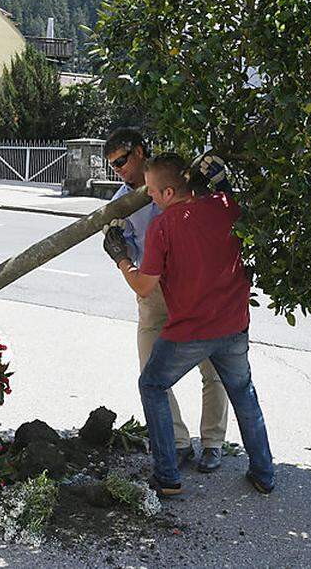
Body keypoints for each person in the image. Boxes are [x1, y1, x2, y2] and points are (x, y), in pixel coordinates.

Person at [112, 154, 275, 497]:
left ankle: (167, 475)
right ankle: (264, 473)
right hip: (233, 326)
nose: (151, 198)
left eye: (154, 192)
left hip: (190, 331)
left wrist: (122, 258)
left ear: (169, 192)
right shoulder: (225, 205)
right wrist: (223, 181)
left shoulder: (164, 226)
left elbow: (143, 285)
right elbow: (233, 201)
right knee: (244, 394)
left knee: (153, 385)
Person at [101, 128, 229, 473]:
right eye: (113, 166)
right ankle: (177, 441)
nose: (119, 170)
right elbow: (124, 241)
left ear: (140, 152)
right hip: (154, 291)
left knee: (212, 366)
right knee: (150, 370)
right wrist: (117, 245)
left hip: (192, 288)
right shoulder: (121, 201)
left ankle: (214, 443)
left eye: (123, 161)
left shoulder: (178, 179)